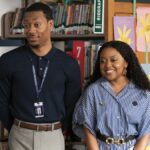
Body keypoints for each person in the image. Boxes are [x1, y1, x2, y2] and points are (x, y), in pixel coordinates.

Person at [0, 2, 81, 150]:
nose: (30, 30)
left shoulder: (69, 64)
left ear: (50, 25)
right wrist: (15, 127)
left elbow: (72, 104)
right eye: (26, 25)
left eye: (37, 24)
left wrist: (56, 129)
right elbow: (2, 100)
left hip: (53, 135)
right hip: (19, 134)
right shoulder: (7, 60)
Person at [73, 40, 150, 150]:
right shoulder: (93, 91)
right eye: (102, 61)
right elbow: (88, 129)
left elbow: (146, 131)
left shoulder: (143, 93)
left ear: (126, 63)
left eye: (113, 60)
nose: (107, 65)